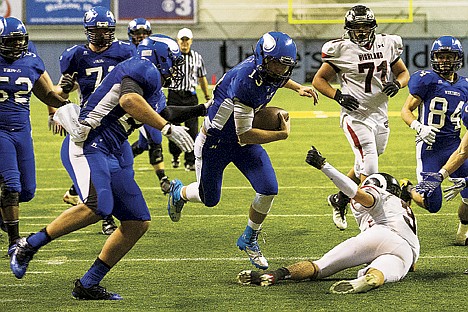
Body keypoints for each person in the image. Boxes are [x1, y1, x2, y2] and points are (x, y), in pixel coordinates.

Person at [8, 34, 208, 300]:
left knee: (137, 221)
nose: (174, 67)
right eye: (171, 61)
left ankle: (88, 284)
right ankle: (27, 246)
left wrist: (201, 108)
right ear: (160, 58)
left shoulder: (151, 83)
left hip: (109, 149)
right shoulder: (143, 69)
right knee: (98, 206)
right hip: (87, 143)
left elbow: (163, 111)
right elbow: (129, 102)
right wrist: (167, 129)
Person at [166, 31, 318, 270]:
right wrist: (281, 134)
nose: (280, 70)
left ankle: (249, 238)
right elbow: (244, 134)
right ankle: (180, 192)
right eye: (276, 63)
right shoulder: (247, 81)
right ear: (263, 58)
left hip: (240, 141)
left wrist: (298, 87)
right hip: (215, 143)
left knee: (268, 188)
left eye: (284, 65)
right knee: (209, 199)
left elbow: (277, 79)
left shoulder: (268, 69)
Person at [237, 146, 419, 294]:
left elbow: (355, 192)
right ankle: (368, 279)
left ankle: (274, 275)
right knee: (382, 272)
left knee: (320, 267)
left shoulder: (379, 196)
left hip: (379, 235)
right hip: (407, 254)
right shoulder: (407, 211)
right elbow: (412, 266)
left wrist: (324, 166)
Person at [312, 5, 410, 231]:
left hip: (379, 114)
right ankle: (369, 218)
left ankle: (340, 198)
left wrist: (398, 83)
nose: (361, 31)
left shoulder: (387, 44)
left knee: (362, 165)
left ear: (373, 27)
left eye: (365, 26)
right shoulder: (340, 49)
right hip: (354, 116)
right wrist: (338, 96)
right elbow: (319, 80)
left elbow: (403, 73)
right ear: (349, 29)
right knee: (371, 167)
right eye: (356, 27)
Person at [54, 6, 136, 235]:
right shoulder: (76, 56)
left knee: (125, 171)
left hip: (118, 124)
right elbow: (61, 91)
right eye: (96, 31)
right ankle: (106, 218)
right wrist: (58, 111)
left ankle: (116, 212)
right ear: (87, 31)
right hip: (91, 123)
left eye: (106, 30)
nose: (102, 35)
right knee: (100, 174)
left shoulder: (125, 51)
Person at [0, 17, 70, 250]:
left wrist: (65, 105)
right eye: (11, 41)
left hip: (22, 131)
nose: (17, 45)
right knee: (11, 185)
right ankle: (13, 242)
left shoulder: (31, 61)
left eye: (20, 41)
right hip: (0, 131)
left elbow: (47, 95)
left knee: (27, 191)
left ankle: (5, 213)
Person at [400, 36, 468, 245]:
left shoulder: (465, 85)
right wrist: (418, 126)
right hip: (429, 146)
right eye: (441, 56)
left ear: (458, 59)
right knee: (433, 203)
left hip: (454, 145)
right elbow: (406, 110)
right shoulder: (426, 79)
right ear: (433, 58)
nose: (445, 61)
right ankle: (407, 189)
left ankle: (463, 231)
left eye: (449, 56)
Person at [127, 18, 171, 194]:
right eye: (137, 33)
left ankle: (115, 161)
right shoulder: (126, 52)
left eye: (144, 33)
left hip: (155, 99)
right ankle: (163, 179)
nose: (141, 36)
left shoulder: (155, 50)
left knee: (144, 144)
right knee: (155, 138)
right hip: (138, 102)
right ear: (131, 35)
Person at [167, 27, 211, 171]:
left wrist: (206, 95)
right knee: (174, 128)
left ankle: (190, 161)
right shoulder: (171, 56)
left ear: (191, 41)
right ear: (178, 41)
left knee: (192, 130)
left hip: (191, 96)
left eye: (187, 40)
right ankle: (175, 155)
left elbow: (202, 77)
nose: (184, 43)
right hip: (175, 96)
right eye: (182, 40)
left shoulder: (197, 57)